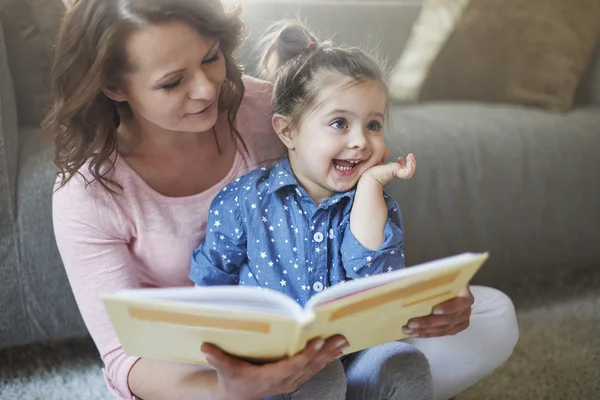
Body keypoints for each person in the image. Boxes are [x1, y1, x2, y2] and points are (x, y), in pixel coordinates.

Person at [46, 0, 519, 400]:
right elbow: (123, 358)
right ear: (114, 87)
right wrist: (228, 388)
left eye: (211, 57)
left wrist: (426, 300)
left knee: (491, 312)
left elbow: (348, 216)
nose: (208, 89)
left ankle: (354, 378)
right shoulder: (88, 193)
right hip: (203, 366)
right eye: (173, 82)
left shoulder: (266, 108)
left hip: (331, 334)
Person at [189, 21, 424, 400]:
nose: (360, 141)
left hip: (354, 355)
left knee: (403, 362)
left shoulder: (373, 205)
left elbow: (378, 283)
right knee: (317, 375)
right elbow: (210, 282)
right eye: (339, 123)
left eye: (374, 125)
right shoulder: (246, 200)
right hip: (272, 365)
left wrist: (369, 188)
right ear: (288, 131)